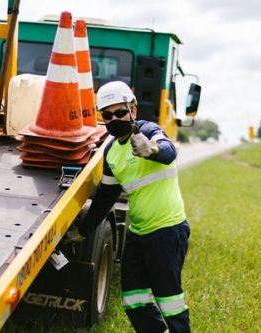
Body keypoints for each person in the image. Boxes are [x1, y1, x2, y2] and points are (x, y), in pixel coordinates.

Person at [72, 81, 191, 332]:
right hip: (137, 235)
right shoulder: (112, 151)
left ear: (133, 110)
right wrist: (83, 230)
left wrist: (151, 149)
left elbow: (169, 152)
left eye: (120, 112)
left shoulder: (149, 131)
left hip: (167, 231)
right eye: (107, 115)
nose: (114, 119)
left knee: (169, 300)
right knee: (134, 300)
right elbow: (106, 197)